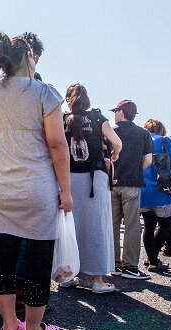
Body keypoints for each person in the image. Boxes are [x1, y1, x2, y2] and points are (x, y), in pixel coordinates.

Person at [0, 32, 71, 330]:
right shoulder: (45, 93)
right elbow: (58, 144)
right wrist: (66, 190)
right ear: (30, 58)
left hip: (3, 187)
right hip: (38, 188)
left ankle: (8, 326)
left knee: (3, 260)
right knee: (37, 261)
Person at [62, 84, 122, 293]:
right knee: (97, 227)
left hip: (69, 178)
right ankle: (98, 280)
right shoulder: (97, 118)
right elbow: (117, 142)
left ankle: (67, 276)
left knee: (70, 228)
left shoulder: (63, 120)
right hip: (93, 179)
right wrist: (113, 155)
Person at [111, 100, 154, 280]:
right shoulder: (143, 133)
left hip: (112, 183)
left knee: (112, 225)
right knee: (132, 225)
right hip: (133, 183)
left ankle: (113, 263)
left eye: (116, 111)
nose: (114, 114)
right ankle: (130, 266)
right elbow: (148, 161)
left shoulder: (111, 131)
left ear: (121, 113)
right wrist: (136, 170)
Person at [140, 120, 171, 272]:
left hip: (143, 190)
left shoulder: (141, 140)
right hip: (162, 190)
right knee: (165, 225)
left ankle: (151, 259)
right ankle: (152, 259)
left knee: (148, 226)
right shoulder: (164, 141)